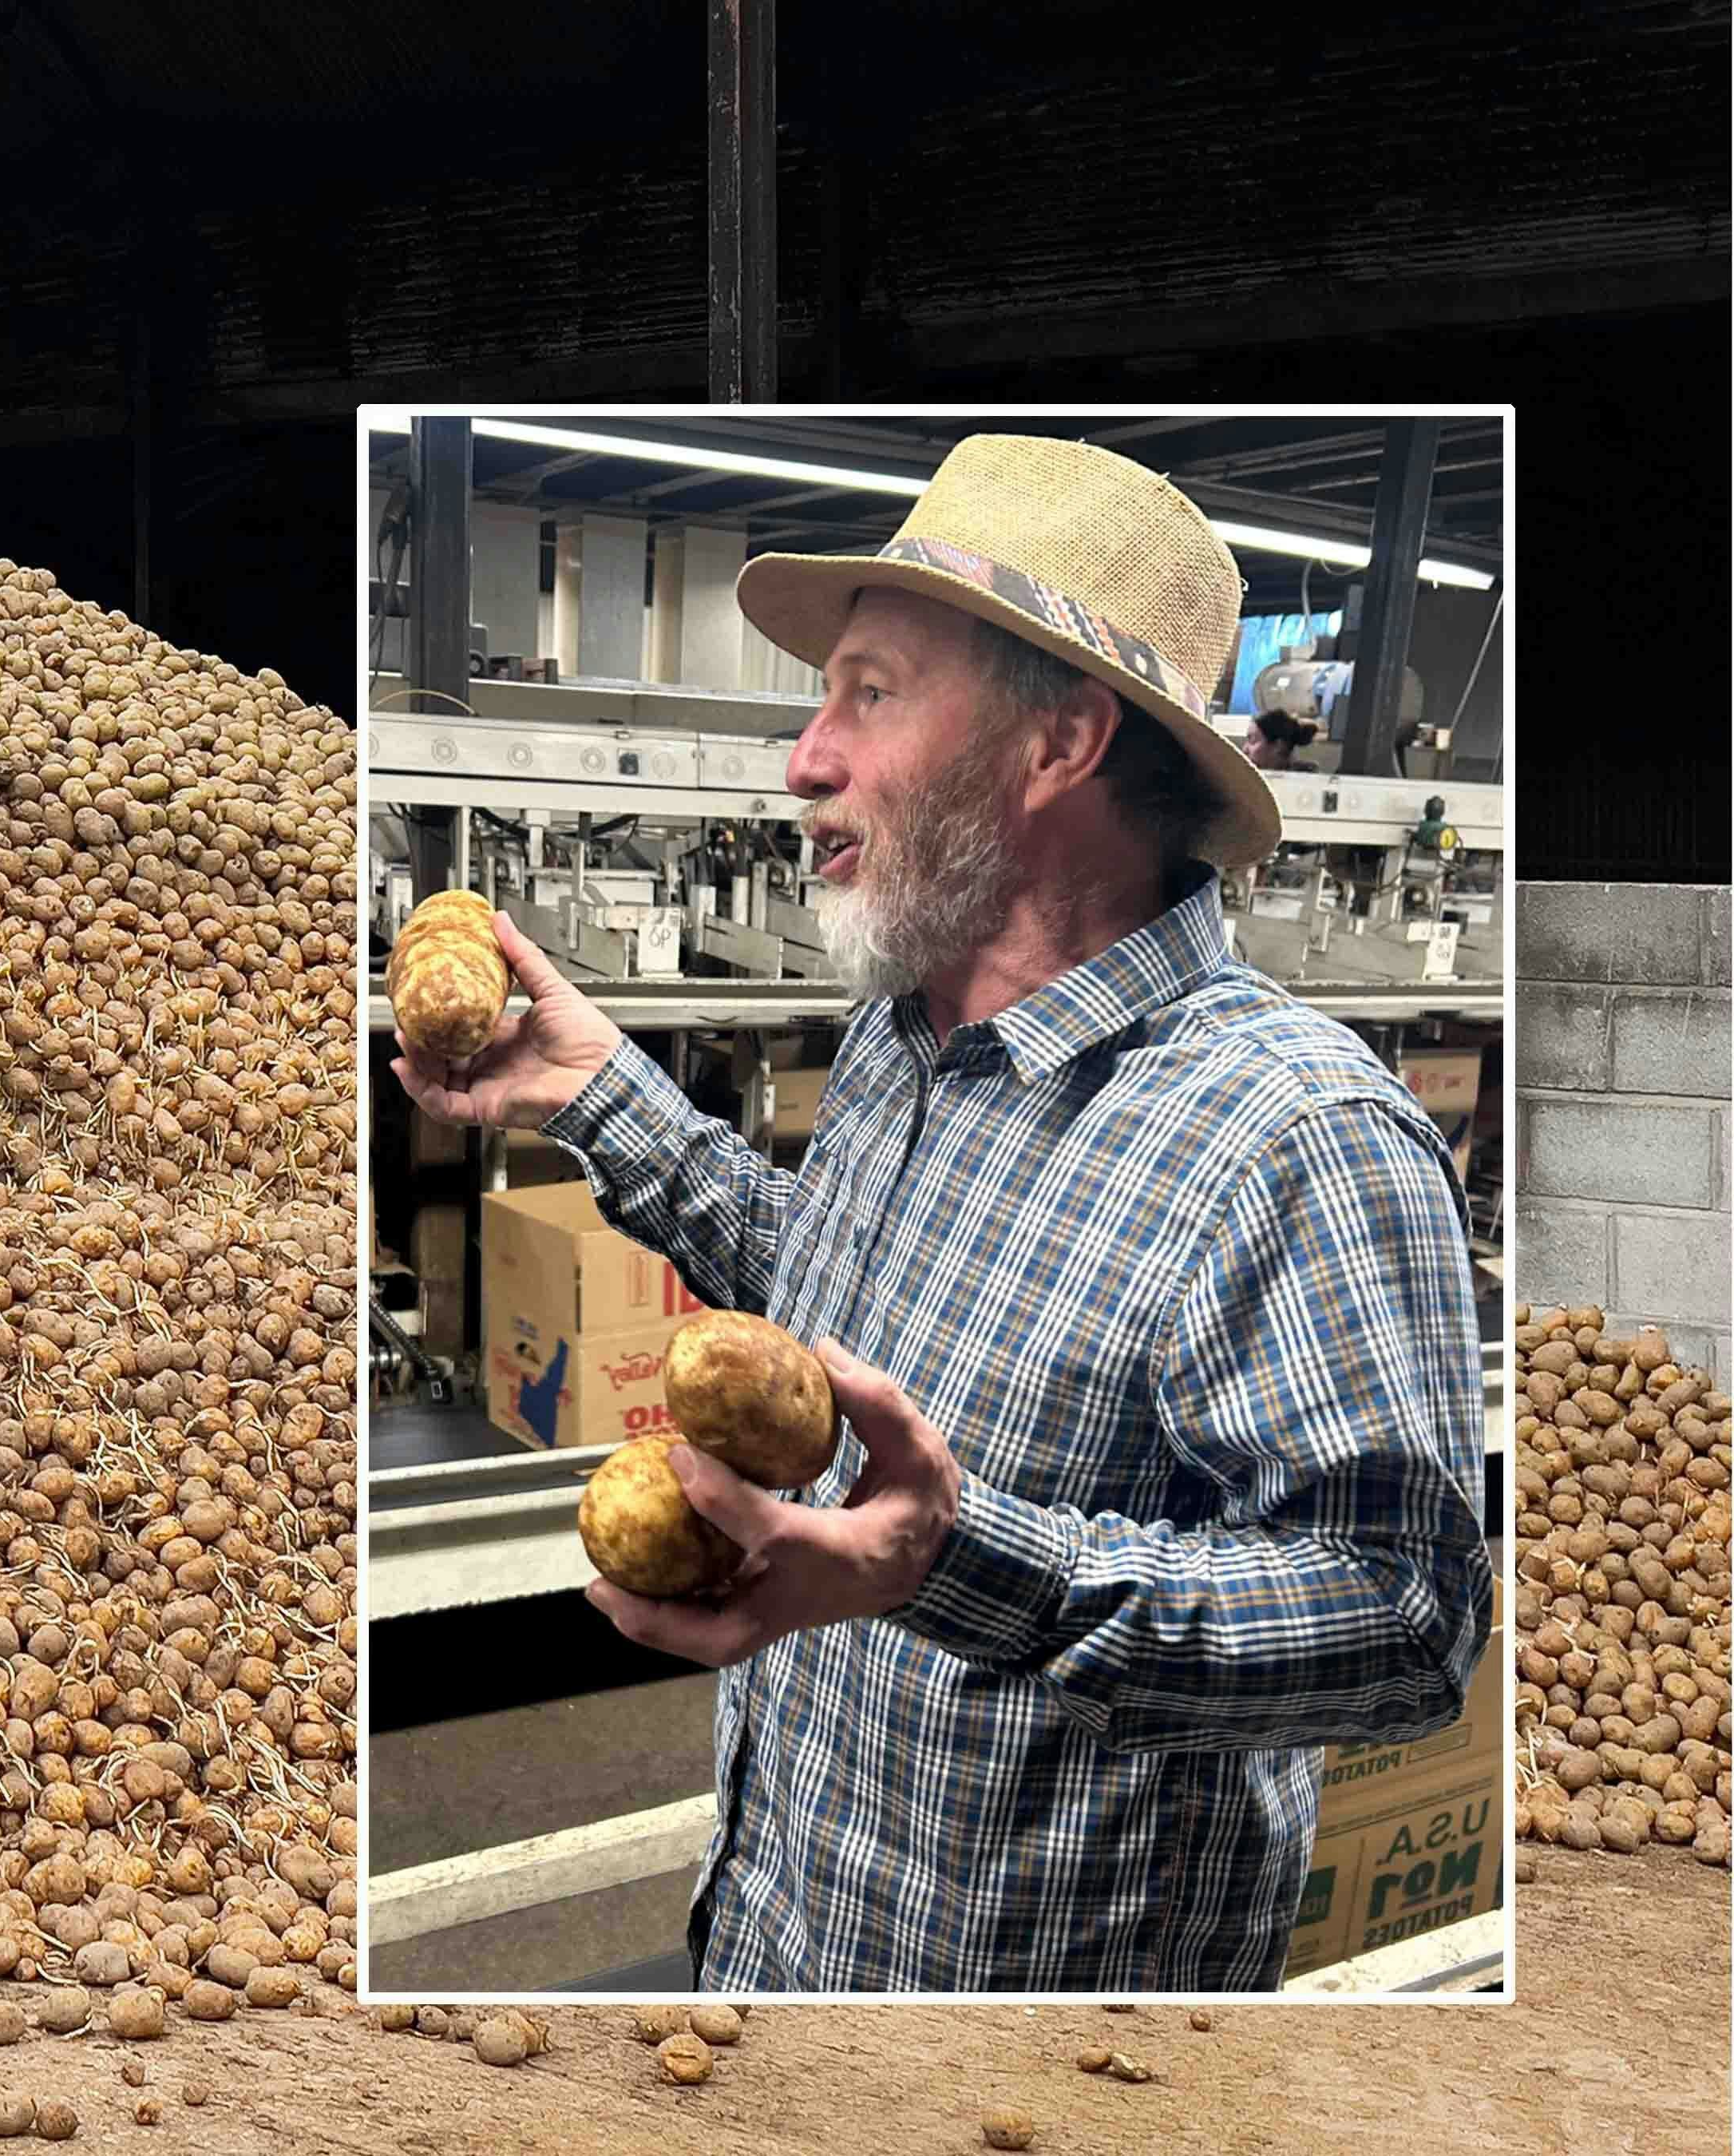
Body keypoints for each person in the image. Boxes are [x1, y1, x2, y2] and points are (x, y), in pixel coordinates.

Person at [395, 435, 1488, 1992]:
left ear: (1058, 745)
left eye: (871, 694)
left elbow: (1408, 1621)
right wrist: (596, 1093)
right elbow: (844, 1313)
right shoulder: (903, 1035)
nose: (803, 757)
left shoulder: (1298, 1145)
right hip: (776, 1946)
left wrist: (960, 1567)